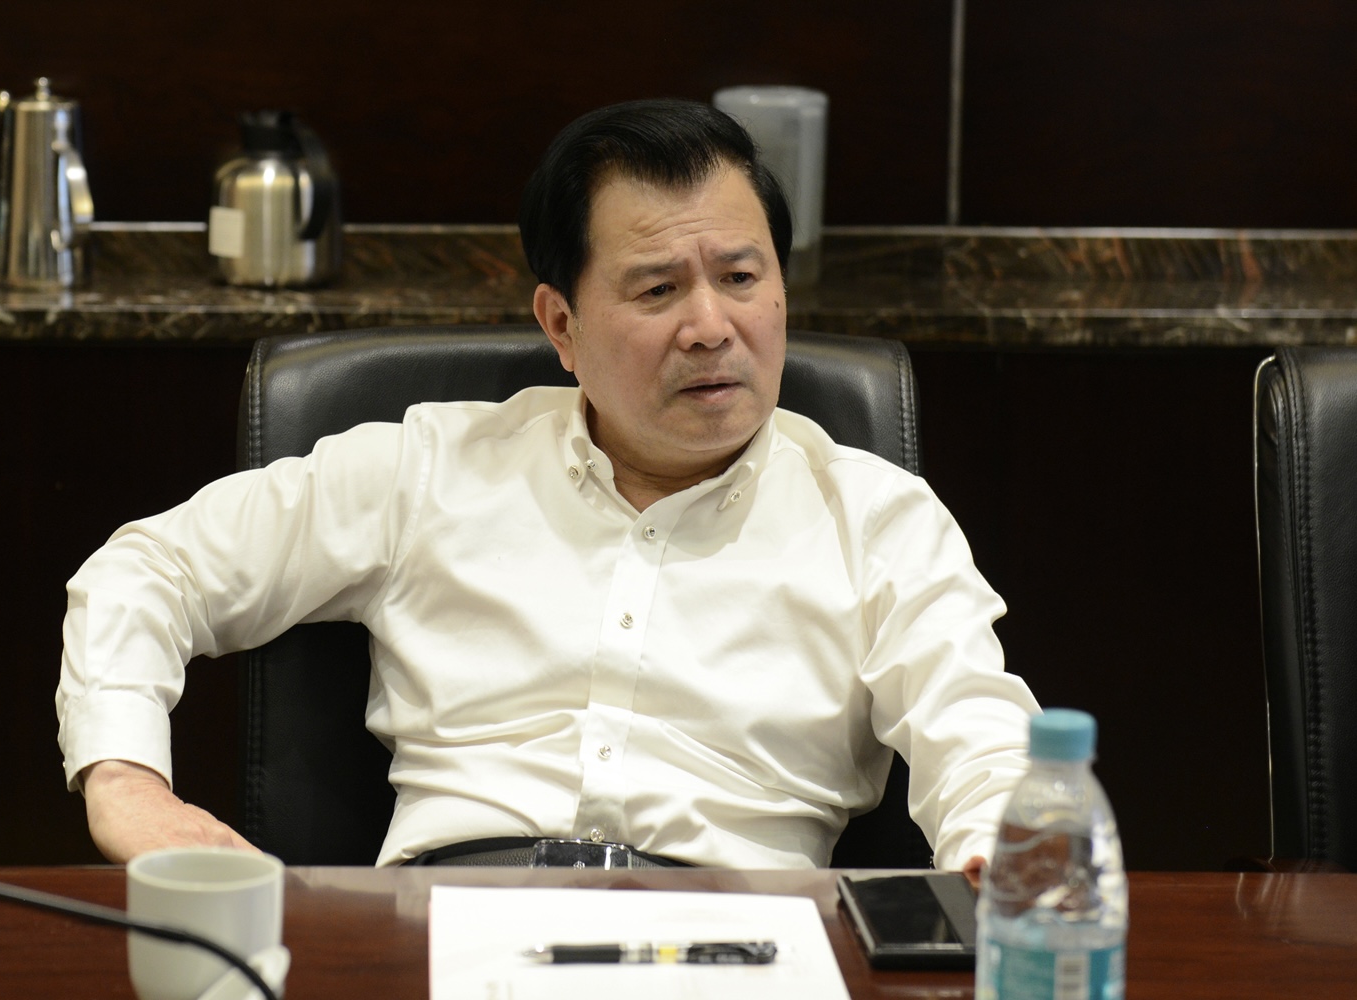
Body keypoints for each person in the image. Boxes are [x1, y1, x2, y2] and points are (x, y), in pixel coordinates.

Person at [56, 98, 1039, 873]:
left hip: (737, 940)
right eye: (658, 289)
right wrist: (128, 783)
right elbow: (154, 568)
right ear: (561, 325)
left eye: (741, 278)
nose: (711, 326)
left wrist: (1003, 858)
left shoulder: (877, 519)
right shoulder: (429, 468)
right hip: (447, 922)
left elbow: (981, 737)